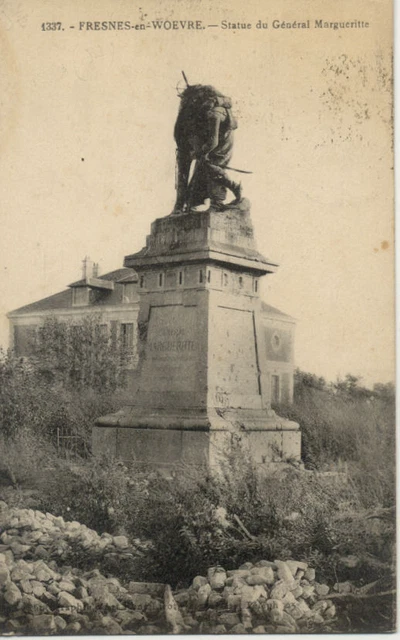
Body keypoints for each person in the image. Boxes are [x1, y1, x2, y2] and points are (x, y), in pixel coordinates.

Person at [172, 84, 242, 214]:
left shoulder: (215, 114)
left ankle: (221, 199)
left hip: (219, 148)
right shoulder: (210, 112)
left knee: (212, 170)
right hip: (209, 146)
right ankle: (194, 203)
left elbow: (213, 141)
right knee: (203, 174)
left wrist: (201, 153)